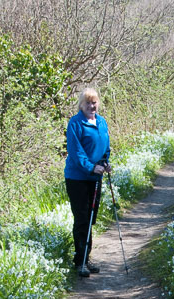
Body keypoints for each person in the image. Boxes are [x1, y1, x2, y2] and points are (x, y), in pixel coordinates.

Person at [64, 87, 111, 277]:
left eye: (94, 102)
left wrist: (105, 162)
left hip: (95, 177)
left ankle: (86, 257)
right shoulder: (75, 124)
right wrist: (91, 167)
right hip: (78, 178)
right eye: (88, 103)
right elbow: (76, 152)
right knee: (82, 218)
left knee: (91, 218)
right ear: (81, 105)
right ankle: (79, 261)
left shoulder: (101, 122)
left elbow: (105, 146)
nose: (92, 106)